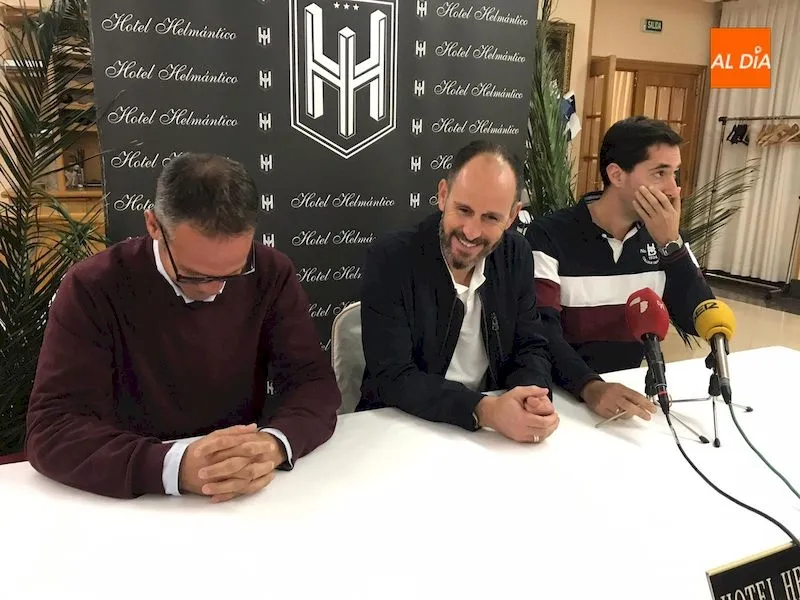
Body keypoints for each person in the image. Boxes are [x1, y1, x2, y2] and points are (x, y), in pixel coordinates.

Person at [26, 153, 341, 501]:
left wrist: (273, 444)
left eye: (233, 273)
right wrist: (172, 466)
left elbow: (312, 382)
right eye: (196, 274)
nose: (215, 289)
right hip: (133, 501)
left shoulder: (270, 272)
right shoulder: (93, 287)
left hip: (246, 491)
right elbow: (52, 428)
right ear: (153, 225)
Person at [357, 140, 560, 444]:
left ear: (512, 216)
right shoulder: (391, 258)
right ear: (442, 195)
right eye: (463, 210)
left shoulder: (517, 254)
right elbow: (394, 377)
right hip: (399, 430)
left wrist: (533, 396)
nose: (471, 231)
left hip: (489, 435)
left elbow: (530, 346)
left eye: (491, 218)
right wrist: (485, 409)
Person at [517, 116, 715, 421]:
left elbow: (697, 319)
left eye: (675, 174)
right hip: (559, 396)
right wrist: (590, 386)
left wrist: (671, 244)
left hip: (627, 399)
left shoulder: (666, 236)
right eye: (659, 173)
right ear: (617, 175)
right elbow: (541, 330)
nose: (673, 189)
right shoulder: (549, 235)